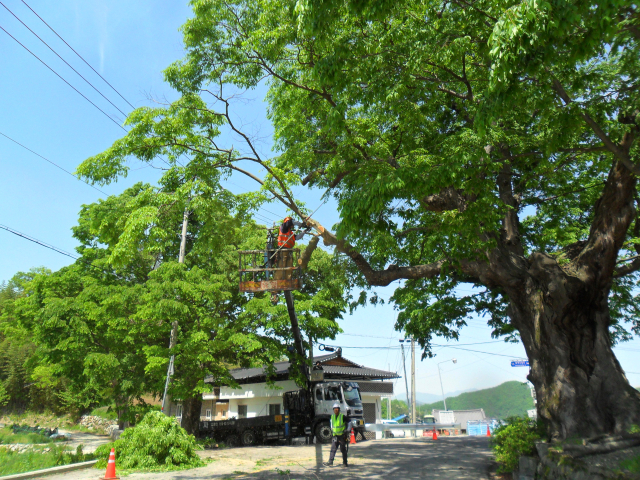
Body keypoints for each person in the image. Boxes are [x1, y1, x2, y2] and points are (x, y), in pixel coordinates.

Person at [323, 402, 351, 468]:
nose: (336, 410)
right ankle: (330, 462)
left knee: (343, 449)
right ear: (333, 410)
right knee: (333, 449)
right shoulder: (332, 417)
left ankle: (345, 463)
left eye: (337, 409)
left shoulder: (342, 416)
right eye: (334, 409)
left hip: (341, 436)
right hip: (335, 436)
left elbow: (349, 422)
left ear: (339, 409)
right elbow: (332, 425)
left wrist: (348, 430)